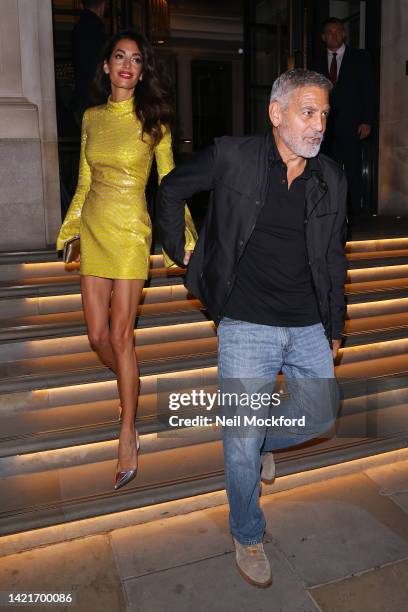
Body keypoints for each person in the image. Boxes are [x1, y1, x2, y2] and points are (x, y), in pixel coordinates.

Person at [158, 69, 347, 588]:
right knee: (238, 441)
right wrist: (184, 254)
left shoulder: (331, 176)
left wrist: (335, 323)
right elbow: (172, 190)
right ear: (276, 112)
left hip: (307, 320)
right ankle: (247, 532)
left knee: (322, 411)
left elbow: (332, 255)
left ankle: (263, 444)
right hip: (245, 322)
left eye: (324, 115)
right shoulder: (231, 157)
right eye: (308, 112)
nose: (318, 125)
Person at [56, 29, 197, 491]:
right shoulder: (92, 118)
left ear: (142, 71)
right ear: (105, 66)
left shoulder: (154, 120)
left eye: (135, 60)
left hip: (133, 230)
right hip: (95, 228)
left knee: (121, 335)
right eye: (119, 56)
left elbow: (171, 180)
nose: (126, 65)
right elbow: (82, 181)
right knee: (96, 336)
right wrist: (71, 229)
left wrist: (186, 236)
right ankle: (130, 387)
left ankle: (128, 431)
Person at [313, 17, 374, 218]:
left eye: (338, 30)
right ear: (323, 37)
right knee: (324, 170)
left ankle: (355, 214)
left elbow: (368, 90)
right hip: (323, 127)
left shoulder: (360, 57)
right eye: (329, 32)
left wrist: (367, 120)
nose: (334, 34)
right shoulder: (315, 61)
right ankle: (326, 211)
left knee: (353, 170)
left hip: (352, 124)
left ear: (344, 34)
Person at [72, 0, 107, 124]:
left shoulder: (79, 27)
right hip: (95, 98)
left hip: (83, 96)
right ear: (102, 6)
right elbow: (96, 67)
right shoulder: (95, 29)